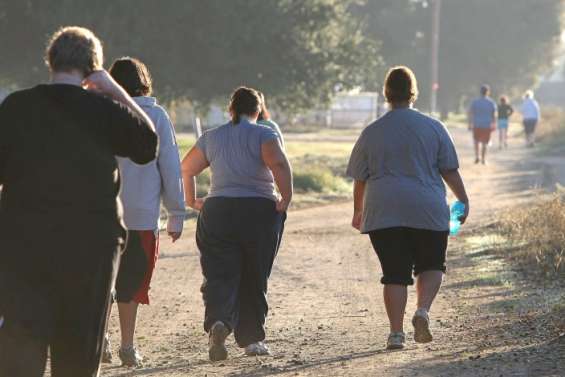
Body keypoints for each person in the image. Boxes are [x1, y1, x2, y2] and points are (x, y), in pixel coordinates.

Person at [0, 26, 157, 377]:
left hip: (23, 245)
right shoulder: (101, 110)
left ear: (49, 61)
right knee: (78, 352)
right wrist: (115, 90)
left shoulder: (16, 107)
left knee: (20, 349)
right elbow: (148, 144)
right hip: (91, 246)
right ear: (93, 68)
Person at [347, 66, 469, 350]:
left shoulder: (372, 132)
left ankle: (396, 334)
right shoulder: (434, 127)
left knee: (394, 273)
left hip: (384, 208)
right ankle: (422, 311)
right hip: (426, 207)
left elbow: (360, 177)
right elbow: (449, 170)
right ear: (414, 92)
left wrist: (357, 210)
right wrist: (462, 198)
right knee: (432, 263)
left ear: (386, 93)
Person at [181, 87, 292, 361]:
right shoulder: (264, 133)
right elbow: (277, 163)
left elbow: (186, 168)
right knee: (254, 273)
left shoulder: (212, 137)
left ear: (231, 110)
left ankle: (219, 322)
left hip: (218, 210)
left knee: (218, 273)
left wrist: (192, 200)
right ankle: (252, 339)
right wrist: (286, 197)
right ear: (258, 110)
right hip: (258, 210)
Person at [100, 57, 186, 367]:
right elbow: (170, 166)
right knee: (132, 283)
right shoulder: (156, 116)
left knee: (102, 281)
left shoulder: (101, 114)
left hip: (102, 213)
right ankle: (127, 346)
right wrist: (176, 212)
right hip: (141, 214)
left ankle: (101, 340)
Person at [468, 85, 497, 164]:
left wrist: (470, 123)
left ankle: (477, 156)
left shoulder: (475, 102)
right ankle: (483, 159)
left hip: (477, 124)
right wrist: (494, 124)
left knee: (476, 141)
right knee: (485, 142)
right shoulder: (491, 102)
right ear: (488, 92)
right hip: (487, 125)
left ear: (480, 92)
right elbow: (494, 114)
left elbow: (470, 113)